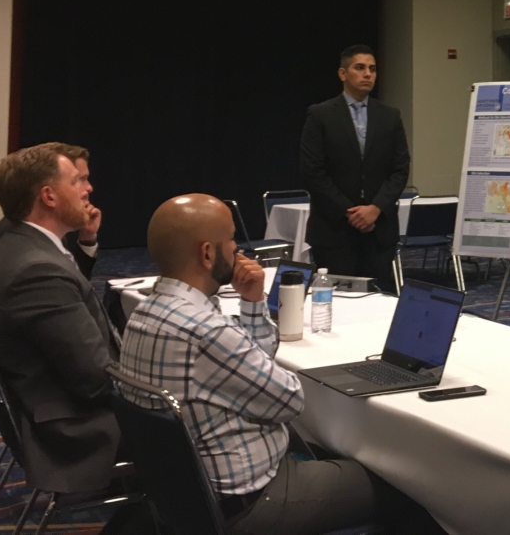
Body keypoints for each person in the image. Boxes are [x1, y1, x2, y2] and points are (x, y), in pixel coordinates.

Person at [119, 194, 443, 535]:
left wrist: (252, 301)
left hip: (187, 500)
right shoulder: (206, 330)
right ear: (207, 253)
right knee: (409, 484)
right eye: (230, 239)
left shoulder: (144, 314)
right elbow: (290, 401)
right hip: (255, 502)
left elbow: (253, 365)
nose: (238, 249)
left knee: (327, 452)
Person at [0, 142, 122, 494]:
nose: (89, 189)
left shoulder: (18, 243)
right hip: (77, 428)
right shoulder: (36, 269)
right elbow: (97, 381)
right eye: (77, 181)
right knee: (203, 412)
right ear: (49, 197)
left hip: (50, 398)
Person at [299, 44, 410, 290]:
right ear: (342, 73)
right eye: (359, 68)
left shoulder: (389, 115)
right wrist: (352, 212)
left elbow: (400, 169)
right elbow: (312, 172)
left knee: (378, 301)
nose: (367, 74)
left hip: (379, 229)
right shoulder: (320, 114)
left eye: (372, 69)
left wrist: (375, 209)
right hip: (334, 229)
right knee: (338, 304)